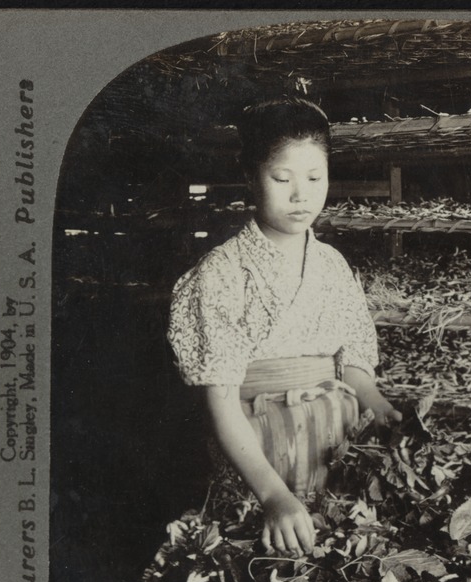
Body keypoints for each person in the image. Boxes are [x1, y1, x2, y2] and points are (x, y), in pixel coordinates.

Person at [168, 98, 402, 556]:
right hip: (258, 467)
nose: (301, 196)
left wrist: (377, 405)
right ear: (250, 177)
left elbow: (352, 363)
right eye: (282, 179)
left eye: (315, 178)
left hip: (336, 458)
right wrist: (273, 497)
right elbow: (221, 402)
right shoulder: (221, 273)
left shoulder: (332, 265)